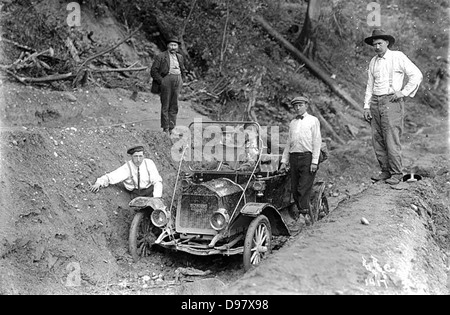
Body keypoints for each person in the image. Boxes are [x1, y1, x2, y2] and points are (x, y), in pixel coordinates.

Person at [363, 29, 423, 185]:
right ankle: (385, 171)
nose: (376, 47)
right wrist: (366, 106)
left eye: (379, 43)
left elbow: (416, 75)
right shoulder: (373, 61)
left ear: (387, 43)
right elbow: (370, 85)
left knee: (391, 137)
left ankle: (396, 173)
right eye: (374, 44)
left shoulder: (398, 57)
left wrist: (403, 92)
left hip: (392, 102)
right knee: (377, 138)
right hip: (375, 102)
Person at [280, 96, 322, 221]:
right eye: (295, 106)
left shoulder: (313, 121)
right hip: (294, 158)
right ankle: (302, 212)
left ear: (306, 106)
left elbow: (317, 141)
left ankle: (304, 216)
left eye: (300, 105)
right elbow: (289, 143)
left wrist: (314, 161)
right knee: (294, 188)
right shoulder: (293, 123)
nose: (298, 108)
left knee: (303, 188)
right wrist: (284, 161)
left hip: (307, 157)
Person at [89, 146, 163, 199]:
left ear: (144, 156)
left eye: (140, 156)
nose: (138, 159)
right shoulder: (127, 168)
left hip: (151, 192)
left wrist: (157, 198)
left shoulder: (149, 163)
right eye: (135, 156)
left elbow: (157, 181)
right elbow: (112, 176)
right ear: (131, 157)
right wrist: (99, 182)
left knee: (159, 213)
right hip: (138, 196)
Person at [150, 36, 187, 136]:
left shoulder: (180, 57)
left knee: (174, 105)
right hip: (166, 79)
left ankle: (172, 127)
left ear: (177, 47)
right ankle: (165, 128)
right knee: (165, 104)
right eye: (171, 45)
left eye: (175, 45)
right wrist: (162, 81)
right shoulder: (161, 56)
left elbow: (183, 69)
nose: (173, 47)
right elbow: (153, 71)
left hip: (177, 79)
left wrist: (182, 80)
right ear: (167, 46)